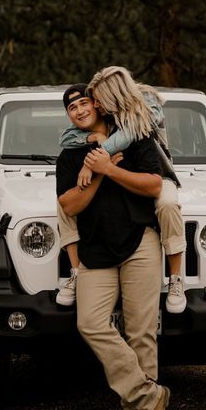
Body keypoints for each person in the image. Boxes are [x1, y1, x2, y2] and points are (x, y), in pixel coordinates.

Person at [56, 84, 170, 410]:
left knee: (141, 333)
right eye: (71, 107)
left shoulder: (135, 136)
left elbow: (154, 185)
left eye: (83, 101)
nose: (77, 109)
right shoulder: (71, 155)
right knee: (89, 323)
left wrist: (109, 166)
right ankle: (151, 397)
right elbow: (70, 205)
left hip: (139, 243)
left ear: (99, 105)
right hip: (96, 254)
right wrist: (101, 169)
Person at [56, 67, 186, 314]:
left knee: (168, 204)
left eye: (94, 101)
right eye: (75, 106)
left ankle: (176, 278)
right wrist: (89, 138)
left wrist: (92, 162)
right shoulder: (108, 118)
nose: (92, 105)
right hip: (100, 242)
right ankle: (74, 273)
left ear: (111, 96)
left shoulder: (146, 105)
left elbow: (128, 136)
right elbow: (64, 139)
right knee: (63, 200)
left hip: (160, 171)